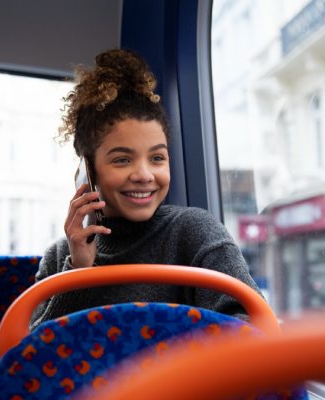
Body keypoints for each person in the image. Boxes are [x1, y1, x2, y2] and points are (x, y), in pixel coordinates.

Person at [30, 48, 262, 329]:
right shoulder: (59, 258)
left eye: (157, 158)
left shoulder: (194, 232)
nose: (144, 175)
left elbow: (252, 326)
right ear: (87, 173)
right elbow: (33, 359)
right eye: (122, 159)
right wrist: (79, 271)